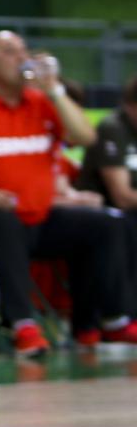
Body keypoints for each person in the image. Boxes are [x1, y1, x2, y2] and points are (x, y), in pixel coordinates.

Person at [0, 30, 137, 356]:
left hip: (41, 216)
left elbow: (84, 137)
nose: (21, 58)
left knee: (106, 224)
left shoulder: (41, 102)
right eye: (9, 52)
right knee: (6, 223)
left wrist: (54, 89)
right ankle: (22, 325)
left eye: (23, 50)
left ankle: (102, 321)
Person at [74, 74, 137, 315]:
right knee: (124, 224)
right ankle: (121, 315)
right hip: (105, 210)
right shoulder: (113, 128)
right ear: (131, 106)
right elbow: (121, 197)